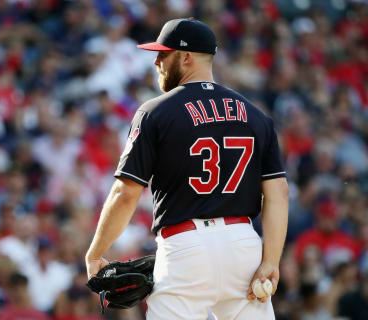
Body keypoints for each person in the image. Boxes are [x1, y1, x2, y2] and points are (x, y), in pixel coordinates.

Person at [85, 18, 289, 319]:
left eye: (162, 54)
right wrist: (271, 260)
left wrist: (95, 252)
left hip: (185, 246)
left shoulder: (155, 111)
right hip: (243, 246)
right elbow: (278, 194)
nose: (156, 61)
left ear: (186, 57)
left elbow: (126, 193)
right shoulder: (256, 115)